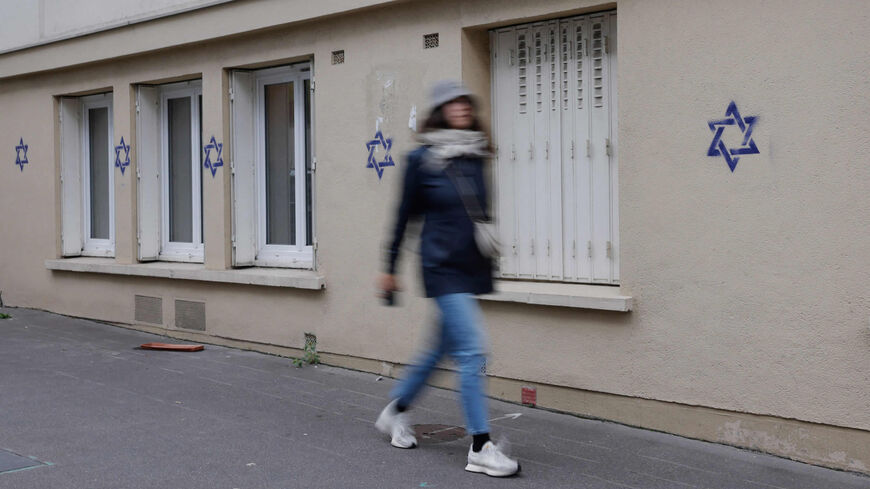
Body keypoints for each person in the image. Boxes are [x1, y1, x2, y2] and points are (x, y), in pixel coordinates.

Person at [374, 80, 520, 477]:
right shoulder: (421, 161)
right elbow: (404, 218)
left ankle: (395, 410)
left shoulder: (474, 155)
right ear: (439, 111)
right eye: (452, 103)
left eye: (465, 102)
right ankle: (480, 446)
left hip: (468, 268)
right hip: (439, 268)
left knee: (438, 351)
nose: (461, 108)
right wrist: (389, 267)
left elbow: (477, 216)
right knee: (472, 352)